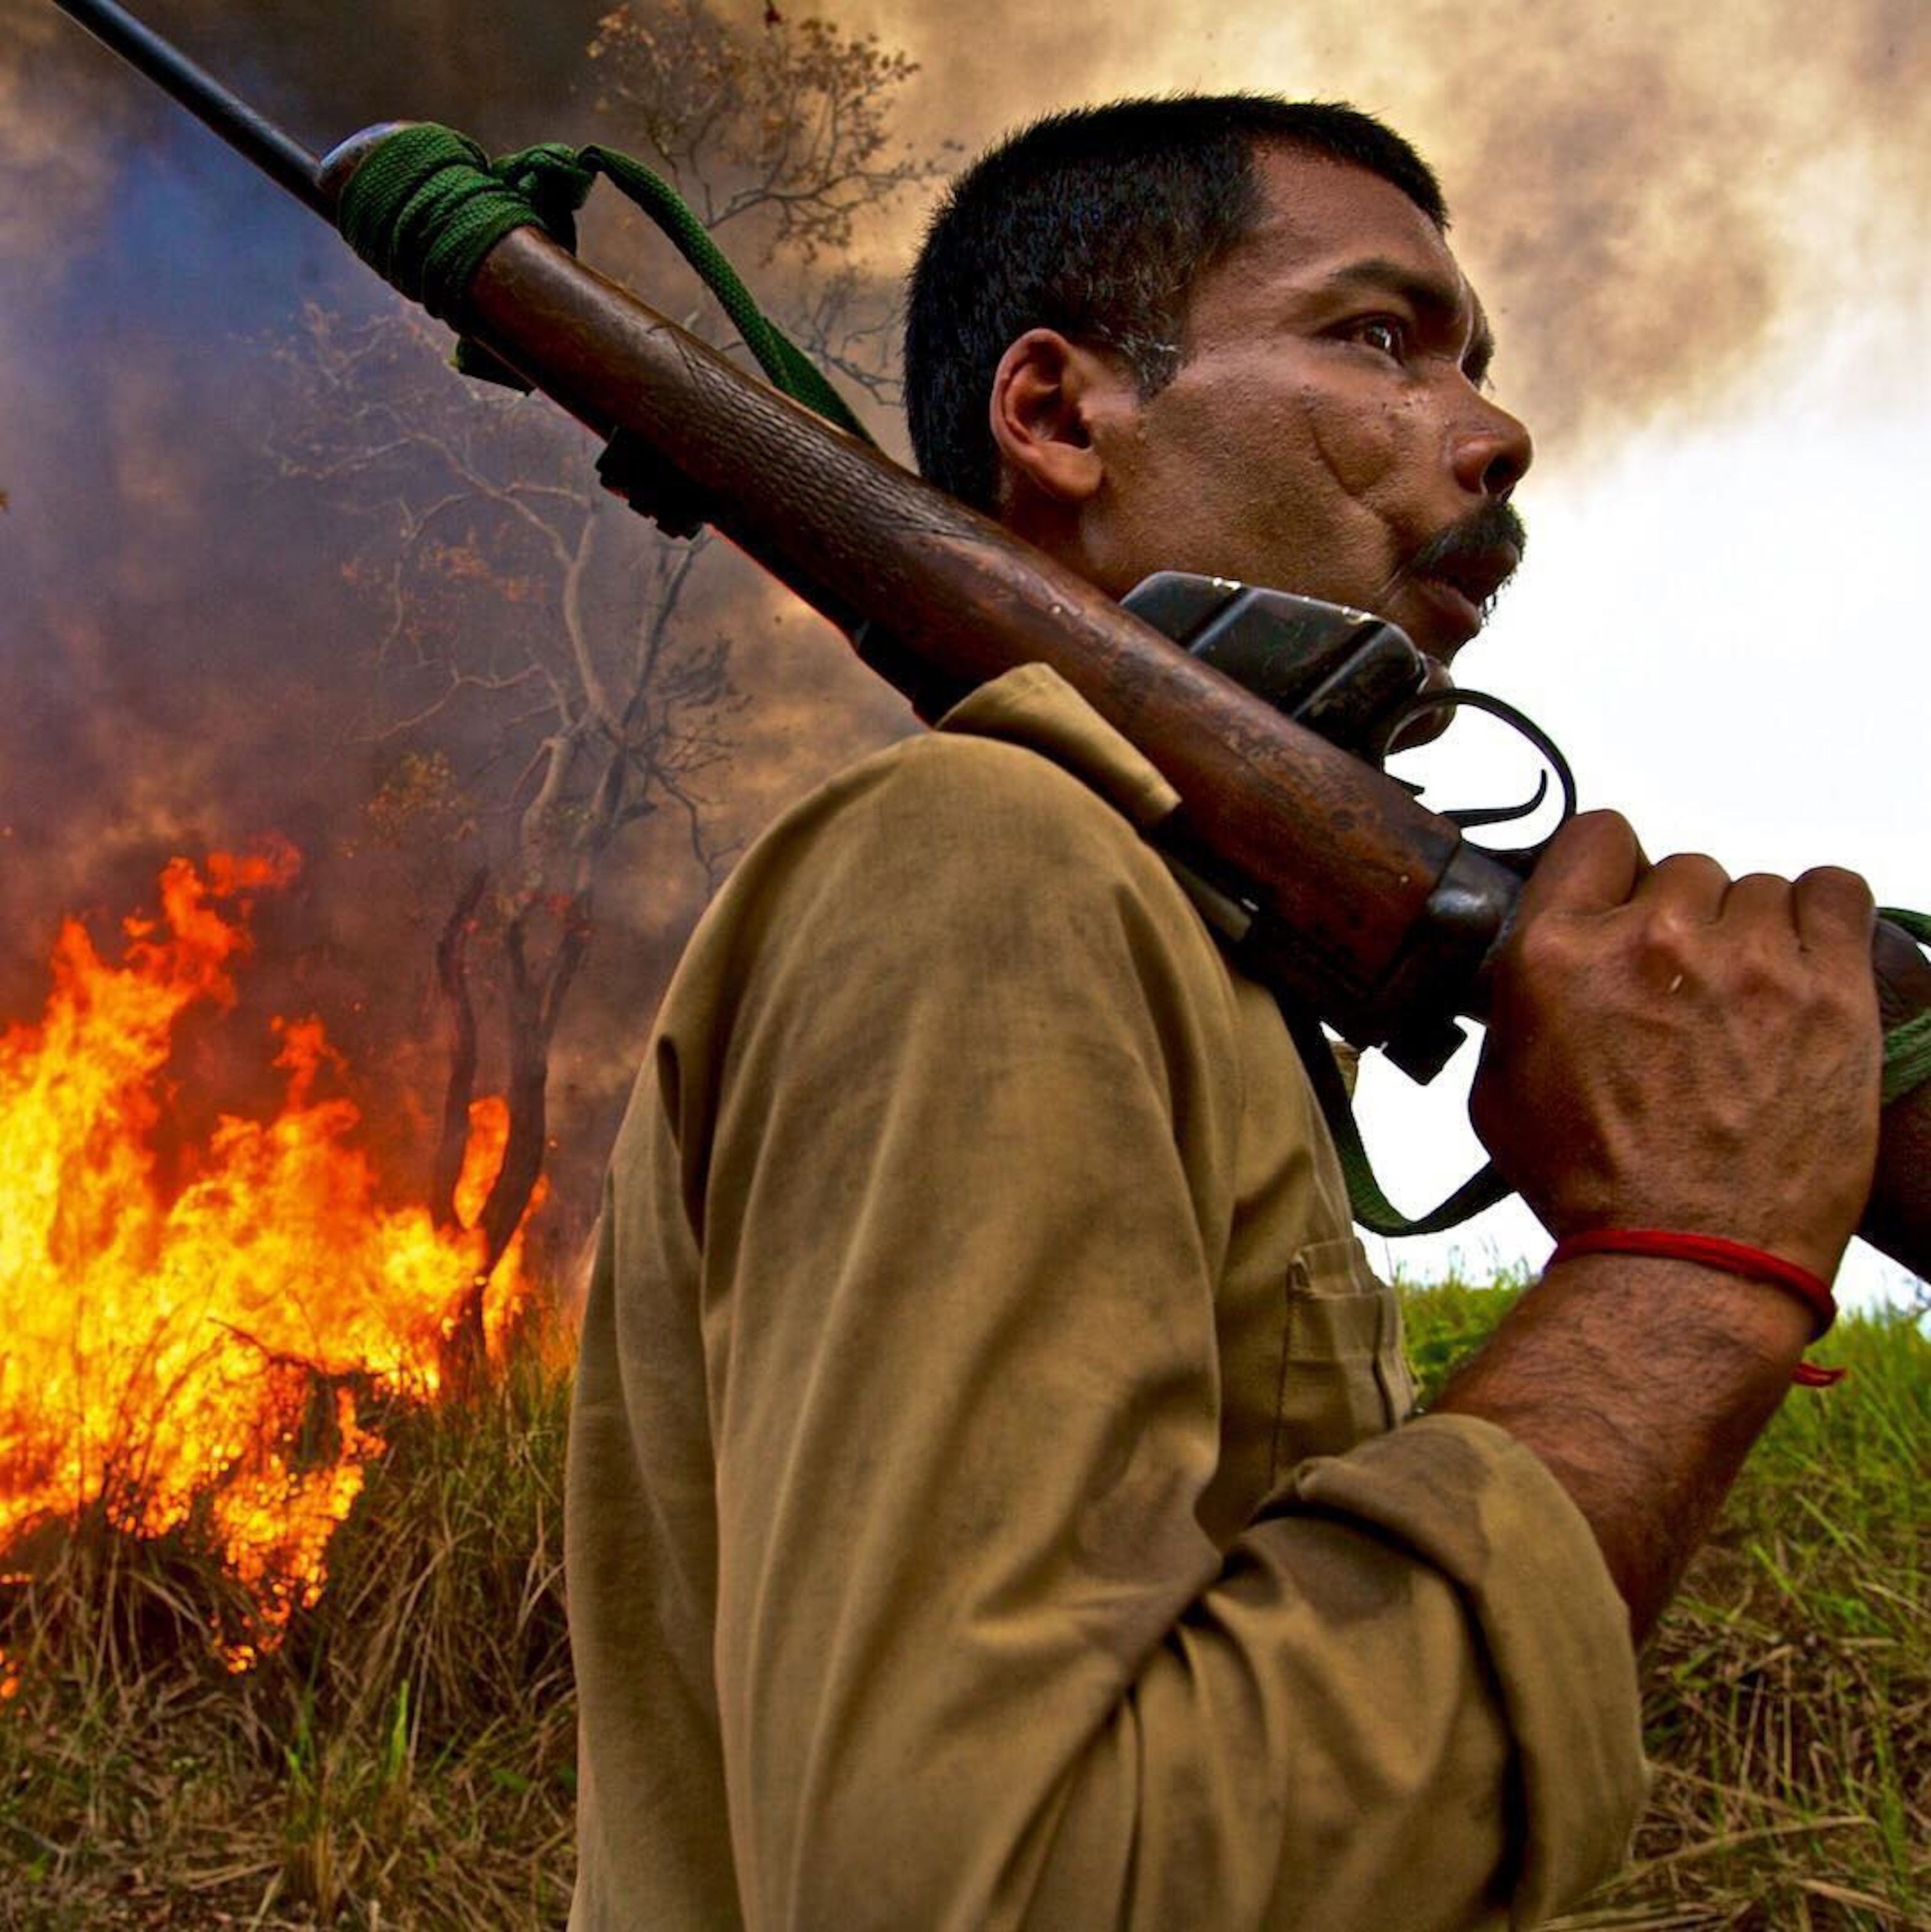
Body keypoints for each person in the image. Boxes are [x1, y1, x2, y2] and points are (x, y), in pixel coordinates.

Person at [565, 97, 1884, 1928]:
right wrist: (1680, 1273)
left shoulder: (1187, 947)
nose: (1496, 435)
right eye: (1378, 339)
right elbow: (996, 1889)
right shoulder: (994, 854)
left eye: (1475, 367)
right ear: (1058, 413)